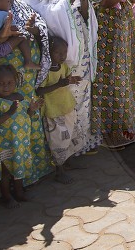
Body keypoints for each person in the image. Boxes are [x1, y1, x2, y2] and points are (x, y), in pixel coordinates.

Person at [21, 0, 101, 154]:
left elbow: (83, 16)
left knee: (81, 103)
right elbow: (50, 18)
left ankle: (80, 147)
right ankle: (63, 154)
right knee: (64, 107)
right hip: (62, 62)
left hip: (80, 57)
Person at [77, 0, 135, 149]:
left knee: (124, 83)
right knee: (110, 86)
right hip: (106, 46)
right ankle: (109, 134)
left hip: (122, 42)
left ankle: (125, 129)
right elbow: (107, 2)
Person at [0, 0, 53, 186]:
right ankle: (10, 184)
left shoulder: (20, 7)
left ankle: (32, 171)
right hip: (4, 79)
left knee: (28, 116)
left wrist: (32, 31)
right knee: (9, 123)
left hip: (25, 78)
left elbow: (39, 33)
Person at [0, 65, 43, 208]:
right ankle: (7, 197)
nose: (5, 87)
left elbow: (26, 116)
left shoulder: (19, 97)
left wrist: (32, 110)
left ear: (15, 82)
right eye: (0, 83)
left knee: (18, 168)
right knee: (5, 172)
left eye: (9, 83)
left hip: (19, 142)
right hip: (3, 145)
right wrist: (8, 113)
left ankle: (19, 193)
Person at [36, 37, 83, 184]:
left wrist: (73, 79)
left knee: (70, 137)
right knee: (58, 142)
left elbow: (67, 78)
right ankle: (59, 171)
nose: (62, 56)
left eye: (64, 52)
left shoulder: (63, 67)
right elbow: (39, 90)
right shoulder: (45, 72)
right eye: (58, 53)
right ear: (48, 53)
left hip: (66, 106)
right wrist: (58, 84)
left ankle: (68, 161)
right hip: (53, 112)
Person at [0, 0, 40, 69]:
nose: (10, 4)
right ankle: (29, 61)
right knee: (22, 37)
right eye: (8, 1)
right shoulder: (6, 15)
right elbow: (14, 30)